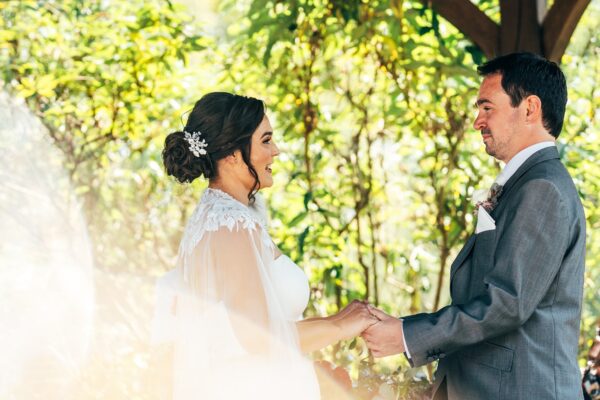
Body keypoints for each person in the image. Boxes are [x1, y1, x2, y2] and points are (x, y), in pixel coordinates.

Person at [362, 52, 586, 399]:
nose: (477, 121)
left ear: (530, 109)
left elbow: (507, 302)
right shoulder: (526, 183)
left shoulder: (542, 189)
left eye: (487, 108)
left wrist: (407, 335)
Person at [152, 92, 378, 399]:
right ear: (232, 153)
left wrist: (336, 319)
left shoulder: (219, 216)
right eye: (266, 140)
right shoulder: (229, 225)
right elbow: (259, 338)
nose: (276, 151)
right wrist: (340, 329)